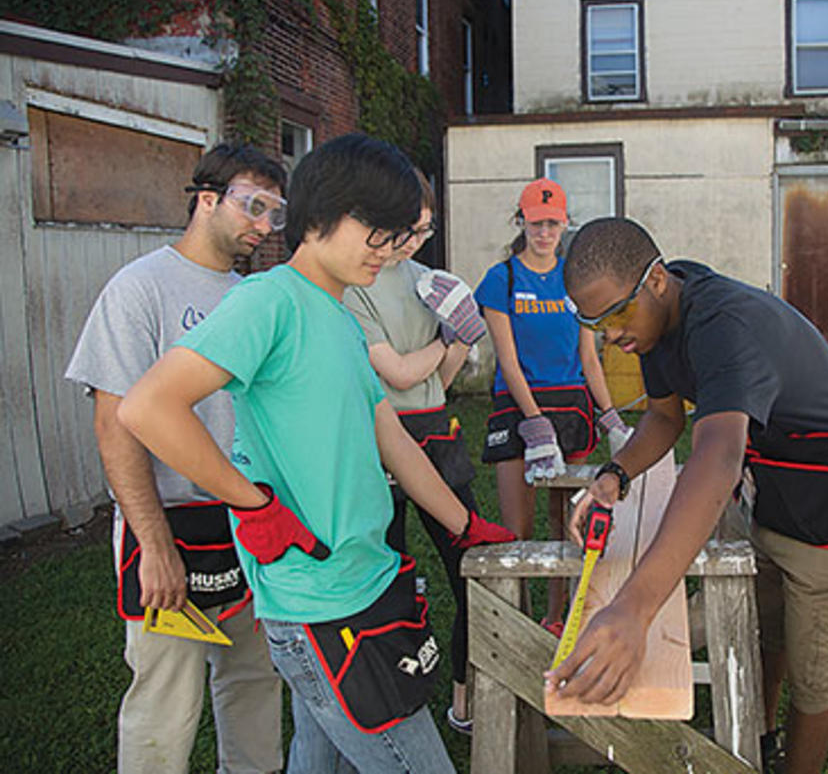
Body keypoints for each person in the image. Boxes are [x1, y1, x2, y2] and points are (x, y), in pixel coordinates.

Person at [118, 134, 514, 774]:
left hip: (367, 579)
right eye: (377, 232)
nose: (386, 251)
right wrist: (254, 505)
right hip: (317, 601)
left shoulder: (338, 315)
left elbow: (389, 435)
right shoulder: (267, 301)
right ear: (322, 214)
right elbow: (148, 408)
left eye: (397, 236)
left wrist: (463, 523)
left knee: (314, 756)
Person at [550, 217, 828, 774]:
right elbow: (663, 417)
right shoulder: (654, 320)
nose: (610, 335)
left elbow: (716, 458)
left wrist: (635, 608)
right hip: (774, 485)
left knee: (816, 666)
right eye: (593, 323)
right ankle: (763, 738)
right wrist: (616, 472)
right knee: (770, 623)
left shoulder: (724, 326)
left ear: (656, 280)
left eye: (614, 316)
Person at [65, 143, 288, 774]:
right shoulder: (139, 288)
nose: (264, 226)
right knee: (166, 702)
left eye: (275, 213)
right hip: (168, 525)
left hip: (247, 522)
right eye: (253, 205)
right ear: (207, 199)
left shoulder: (254, 294)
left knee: (254, 682)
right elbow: (115, 426)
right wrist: (154, 545)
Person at [343, 181, 485, 734]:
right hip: (379, 444)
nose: (417, 242)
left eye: (427, 229)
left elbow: (438, 384)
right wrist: (452, 340)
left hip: (436, 438)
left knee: (470, 571)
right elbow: (398, 374)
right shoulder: (356, 285)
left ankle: (464, 701)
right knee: (387, 580)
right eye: (411, 230)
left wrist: (460, 344)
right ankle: (394, 697)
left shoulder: (426, 280)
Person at [473, 179, 629, 634]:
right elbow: (508, 360)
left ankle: (558, 616)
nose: (544, 232)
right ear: (521, 221)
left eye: (553, 224)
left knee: (566, 524)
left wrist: (611, 416)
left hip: (569, 408)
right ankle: (518, 617)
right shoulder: (500, 279)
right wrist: (534, 424)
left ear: (565, 224)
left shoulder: (574, 278)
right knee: (518, 529)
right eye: (536, 223)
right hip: (518, 407)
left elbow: (588, 358)